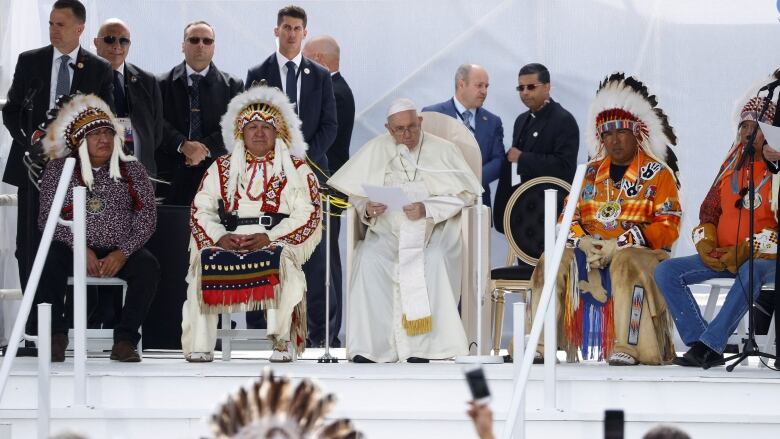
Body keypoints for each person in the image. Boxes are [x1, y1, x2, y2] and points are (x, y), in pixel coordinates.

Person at [527, 73, 681, 366]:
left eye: (621, 132)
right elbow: (566, 217)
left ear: (636, 133)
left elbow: (668, 224)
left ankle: (629, 345)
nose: (614, 140)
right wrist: (583, 241)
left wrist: (620, 244)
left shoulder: (659, 174)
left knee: (625, 261)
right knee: (551, 259)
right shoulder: (588, 173)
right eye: (607, 133)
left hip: (641, 253)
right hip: (590, 249)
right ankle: (542, 343)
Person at [328, 98, 483, 363]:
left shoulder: (443, 150)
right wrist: (368, 208)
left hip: (433, 231)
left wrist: (427, 208)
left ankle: (427, 348)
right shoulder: (375, 150)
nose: (407, 135)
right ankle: (372, 347)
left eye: (412, 127)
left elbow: (465, 195)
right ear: (388, 129)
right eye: (399, 130)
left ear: (420, 122)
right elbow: (355, 196)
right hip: (387, 233)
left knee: (433, 260)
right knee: (368, 259)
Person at [181, 85, 322, 363]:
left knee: (282, 262)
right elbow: (201, 208)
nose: (259, 132)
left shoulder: (296, 168)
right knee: (203, 262)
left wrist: (271, 237)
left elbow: (308, 212)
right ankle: (201, 345)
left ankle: (283, 342)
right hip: (230, 237)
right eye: (252, 126)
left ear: (278, 132)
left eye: (266, 127)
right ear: (240, 133)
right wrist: (220, 237)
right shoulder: (220, 167)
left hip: (276, 238)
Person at [1, 0, 113, 299]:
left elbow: (105, 120)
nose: (53, 30)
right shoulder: (30, 61)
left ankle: (63, 326)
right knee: (27, 247)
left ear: (79, 28)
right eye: (51, 23)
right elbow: (11, 111)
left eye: (60, 24)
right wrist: (33, 141)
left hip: (77, 175)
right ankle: (33, 325)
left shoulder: (100, 69)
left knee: (71, 244)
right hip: (31, 167)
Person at [655, 96, 778, 367]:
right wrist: (706, 243)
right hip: (725, 254)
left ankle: (709, 345)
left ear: (770, 133)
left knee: (751, 270)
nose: (747, 132)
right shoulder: (729, 169)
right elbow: (708, 212)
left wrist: (746, 249)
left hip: (765, 260)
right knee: (666, 271)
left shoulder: (777, 170)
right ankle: (703, 342)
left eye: (755, 127)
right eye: (743, 127)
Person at [35, 94, 158, 362]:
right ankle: (56, 336)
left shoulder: (132, 169)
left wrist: (123, 252)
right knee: (48, 258)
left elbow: (147, 216)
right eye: (95, 134)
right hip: (73, 248)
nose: (104, 139)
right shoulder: (59, 169)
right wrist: (80, 248)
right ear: (80, 140)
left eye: (108, 133)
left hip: (119, 250)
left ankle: (125, 340)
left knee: (148, 267)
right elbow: (47, 217)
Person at [243, 5, 338, 348]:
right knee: (262, 248)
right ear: (276, 31)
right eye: (286, 27)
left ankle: (318, 334)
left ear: (304, 33)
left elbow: (331, 125)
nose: (291, 33)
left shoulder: (321, 75)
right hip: (266, 178)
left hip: (309, 177)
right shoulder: (258, 73)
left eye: (297, 28)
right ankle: (259, 331)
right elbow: (248, 124)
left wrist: (304, 158)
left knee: (313, 255)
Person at [302, 35, 355, 346]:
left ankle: (327, 331)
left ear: (320, 60)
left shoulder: (335, 92)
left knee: (327, 258)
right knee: (320, 256)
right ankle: (319, 328)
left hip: (327, 184)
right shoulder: (333, 89)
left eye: (308, 60)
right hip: (323, 183)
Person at [157, 21, 244, 205]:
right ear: (183, 46)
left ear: (214, 47)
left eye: (207, 41)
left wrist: (201, 150)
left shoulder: (234, 86)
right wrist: (183, 145)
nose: (200, 45)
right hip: (170, 178)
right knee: (172, 232)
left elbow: (236, 126)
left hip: (218, 178)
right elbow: (155, 122)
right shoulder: (160, 84)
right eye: (194, 40)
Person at [493, 63, 579, 233]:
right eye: (521, 87)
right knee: (521, 260)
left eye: (531, 87)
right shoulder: (521, 120)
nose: (525, 92)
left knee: (549, 260)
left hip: (549, 211)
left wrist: (522, 158)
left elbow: (565, 167)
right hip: (523, 210)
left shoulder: (563, 120)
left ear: (547, 87)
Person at [422, 63, 504, 207]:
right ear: (461, 85)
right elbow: (423, 156)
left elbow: (499, 160)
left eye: (486, 86)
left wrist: (471, 180)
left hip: (478, 204)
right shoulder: (432, 114)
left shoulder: (493, 121)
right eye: (479, 85)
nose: (484, 91)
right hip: (440, 204)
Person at [93, 18, 163, 176]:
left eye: (123, 40)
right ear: (96, 42)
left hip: (139, 177)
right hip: (96, 177)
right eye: (110, 39)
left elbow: (156, 135)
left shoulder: (147, 81)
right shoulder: (83, 78)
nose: (117, 46)